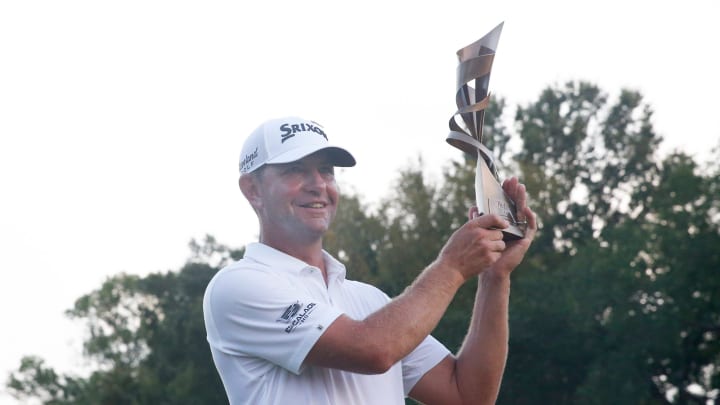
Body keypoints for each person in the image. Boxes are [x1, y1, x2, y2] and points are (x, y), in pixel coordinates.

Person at [203, 116, 537, 405]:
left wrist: (494, 276)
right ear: (253, 190)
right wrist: (452, 265)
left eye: (325, 171)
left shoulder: (369, 301)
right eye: (295, 171)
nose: (318, 184)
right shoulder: (237, 286)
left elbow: (468, 395)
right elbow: (374, 349)